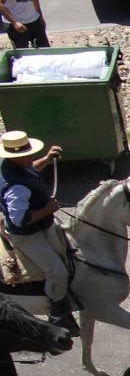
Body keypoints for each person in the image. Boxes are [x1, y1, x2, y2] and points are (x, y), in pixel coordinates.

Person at [0, 130, 75, 334]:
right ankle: (57, 314)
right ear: (15, 157)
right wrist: (47, 210)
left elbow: (31, 169)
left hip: (42, 225)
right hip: (27, 235)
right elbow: (20, 219)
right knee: (57, 272)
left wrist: (46, 159)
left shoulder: (13, 166)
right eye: (27, 154)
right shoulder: (15, 187)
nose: (31, 156)